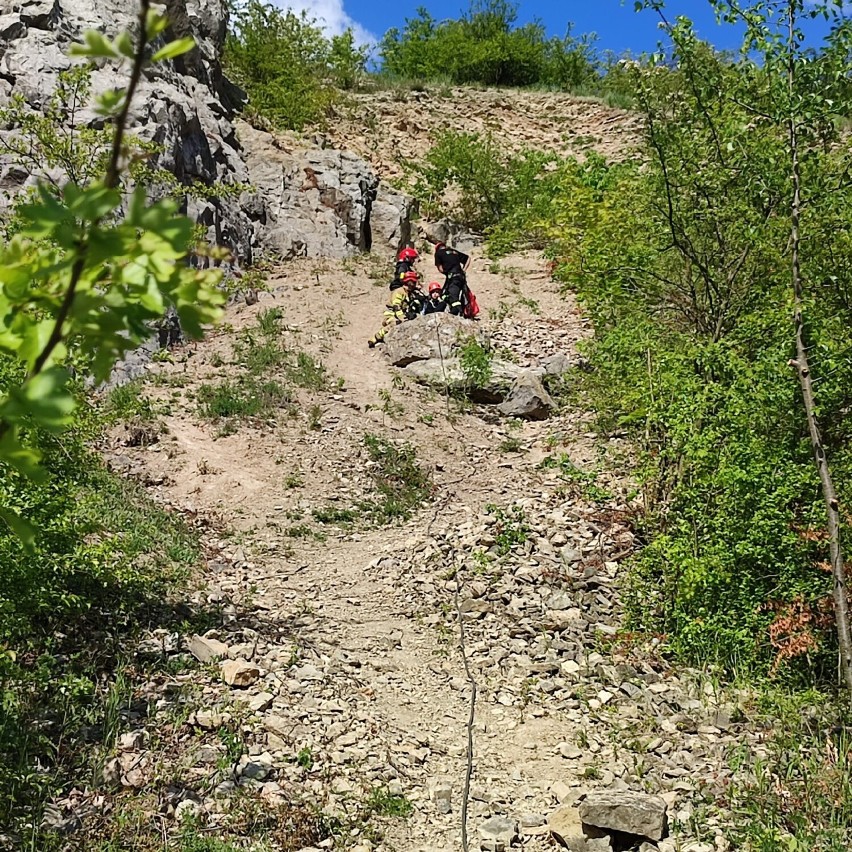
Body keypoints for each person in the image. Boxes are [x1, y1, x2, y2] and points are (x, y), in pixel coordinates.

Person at [368, 271, 420, 347]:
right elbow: (396, 307)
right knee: (395, 324)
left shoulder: (409, 293)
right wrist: (402, 318)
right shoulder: (399, 292)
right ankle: (376, 337)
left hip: (401, 314)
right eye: (414, 282)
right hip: (391, 314)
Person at [434, 242, 471, 316]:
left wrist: (446, 272)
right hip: (461, 277)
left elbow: (440, 268)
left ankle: (456, 311)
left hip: (453, 277)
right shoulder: (454, 251)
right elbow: (468, 258)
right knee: (446, 294)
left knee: (453, 295)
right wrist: (463, 270)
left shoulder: (438, 253)